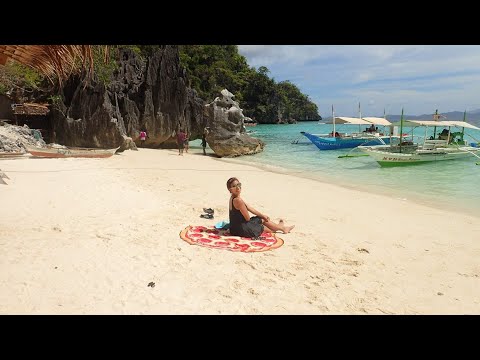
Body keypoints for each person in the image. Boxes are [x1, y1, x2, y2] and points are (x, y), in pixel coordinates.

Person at [226, 177, 294, 238]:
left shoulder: (233, 197)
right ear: (230, 190)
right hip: (241, 230)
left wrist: (262, 216)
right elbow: (247, 218)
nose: (238, 188)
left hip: (234, 228)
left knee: (262, 219)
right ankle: (282, 228)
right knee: (261, 223)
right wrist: (261, 218)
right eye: (234, 186)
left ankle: (280, 227)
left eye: (239, 185)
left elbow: (250, 208)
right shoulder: (238, 200)